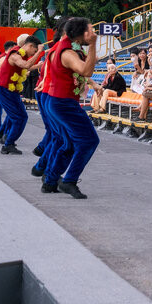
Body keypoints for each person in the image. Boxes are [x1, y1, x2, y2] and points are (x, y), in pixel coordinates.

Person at [35, 17, 100, 200]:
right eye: (90, 30)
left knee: (69, 142)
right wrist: (94, 45)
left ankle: (50, 180)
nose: (93, 33)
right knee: (88, 141)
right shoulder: (67, 52)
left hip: (56, 100)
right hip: (63, 103)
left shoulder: (59, 47)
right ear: (80, 34)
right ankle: (69, 180)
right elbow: (86, 72)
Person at [0, 35, 44, 155]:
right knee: (18, 118)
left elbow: (24, 66)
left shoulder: (20, 55)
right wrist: (39, 52)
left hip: (12, 92)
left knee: (21, 117)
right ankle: (7, 143)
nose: (33, 54)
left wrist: (37, 66)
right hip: (6, 91)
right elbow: (26, 65)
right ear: (30, 46)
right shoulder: (15, 55)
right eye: (33, 50)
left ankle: (6, 138)